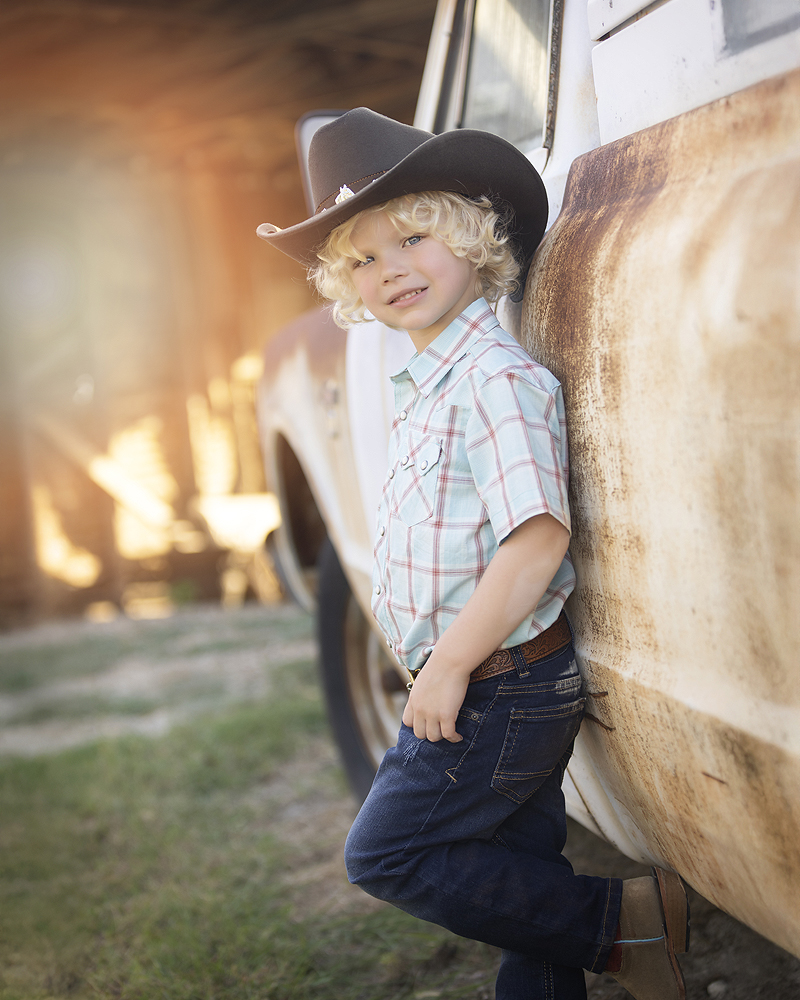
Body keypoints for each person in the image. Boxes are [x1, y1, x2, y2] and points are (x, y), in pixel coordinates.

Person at [257, 107, 690, 1000]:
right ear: (346, 284)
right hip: (488, 675)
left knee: (386, 852)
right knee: (519, 891)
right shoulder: (434, 381)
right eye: (365, 258)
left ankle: (627, 926)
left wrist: (447, 666)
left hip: (496, 683)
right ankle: (582, 947)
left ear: (471, 236)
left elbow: (536, 541)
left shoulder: (495, 380)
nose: (393, 269)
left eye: (413, 237)